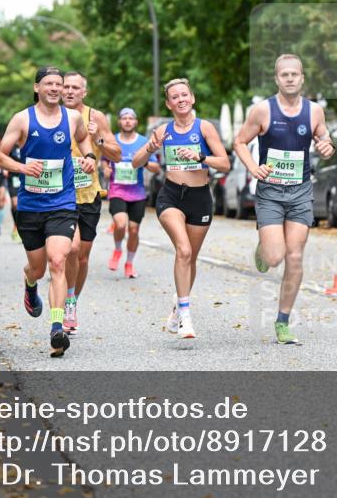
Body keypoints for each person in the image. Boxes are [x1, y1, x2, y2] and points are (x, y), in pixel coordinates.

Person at [0, 66, 97, 358]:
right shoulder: (22, 119)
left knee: (58, 261)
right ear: (37, 87)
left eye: (59, 84)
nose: (55, 88)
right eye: (49, 83)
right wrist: (22, 167)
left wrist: (89, 156)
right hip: (30, 206)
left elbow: (83, 139)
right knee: (38, 269)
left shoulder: (72, 118)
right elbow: (0, 155)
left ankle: (56, 329)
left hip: (62, 203)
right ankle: (30, 284)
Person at [233, 54, 335, 345]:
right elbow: (239, 142)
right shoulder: (263, 110)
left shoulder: (314, 111)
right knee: (274, 257)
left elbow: (325, 139)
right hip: (270, 193)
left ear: (302, 78)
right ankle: (265, 247)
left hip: (300, 191)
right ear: (276, 79)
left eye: (294, 74)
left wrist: (327, 147)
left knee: (295, 256)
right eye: (284, 74)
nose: (290, 78)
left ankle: (283, 321)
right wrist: (253, 168)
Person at [131, 78, 229, 340]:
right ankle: (186, 316)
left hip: (200, 198)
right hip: (172, 196)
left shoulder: (204, 127)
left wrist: (201, 157)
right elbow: (136, 162)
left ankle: (178, 305)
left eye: (184, 95)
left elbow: (225, 163)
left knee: (190, 258)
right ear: (168, 103)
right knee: (183, 250)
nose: (181, 99)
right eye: (175, 97)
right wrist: (150, 147)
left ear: (192, 98)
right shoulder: (163, 130)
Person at [60, 71, 121, 334]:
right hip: (60, 196)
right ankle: (65, 301)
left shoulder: (95, 117)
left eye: (75, 87)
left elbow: (117, 154)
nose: (70, 91)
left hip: (88, 195)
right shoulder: (52, 116)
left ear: (84, 92)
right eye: (66, 87)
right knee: (71, 250)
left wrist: (98, 140)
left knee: (82, 258)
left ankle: (72, 301)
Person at [106, 107, 161, 278]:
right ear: (119, 122)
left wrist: (143, 161)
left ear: (136, 122)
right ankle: (117, 250)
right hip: (117, 191)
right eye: (124, 118)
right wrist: (105, 169)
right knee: (120, 224)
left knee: (134, 230)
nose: (128, 121)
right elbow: (104, 159)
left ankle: (129, 263)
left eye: (131, 118)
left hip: (137, 193)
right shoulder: (112, 140)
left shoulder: (144, 141)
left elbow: (156, 168)